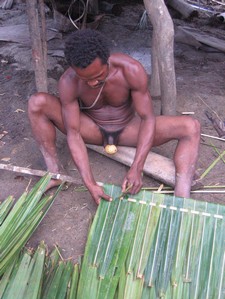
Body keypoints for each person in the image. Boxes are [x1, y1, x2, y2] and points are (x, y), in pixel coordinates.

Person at [28, 29, 201, 205]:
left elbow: (148, 119)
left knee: (190, 126)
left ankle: (182, 197)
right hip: (91, 129)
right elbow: (73, 133)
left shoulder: (131, 70)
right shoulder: (68, 81)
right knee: (37, 102)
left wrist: (136, 167)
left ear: (107, 61)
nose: (92, 83)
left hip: (128, 129)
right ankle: (54, 173)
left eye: (97, 76)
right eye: (85, 79)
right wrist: (90, 183)